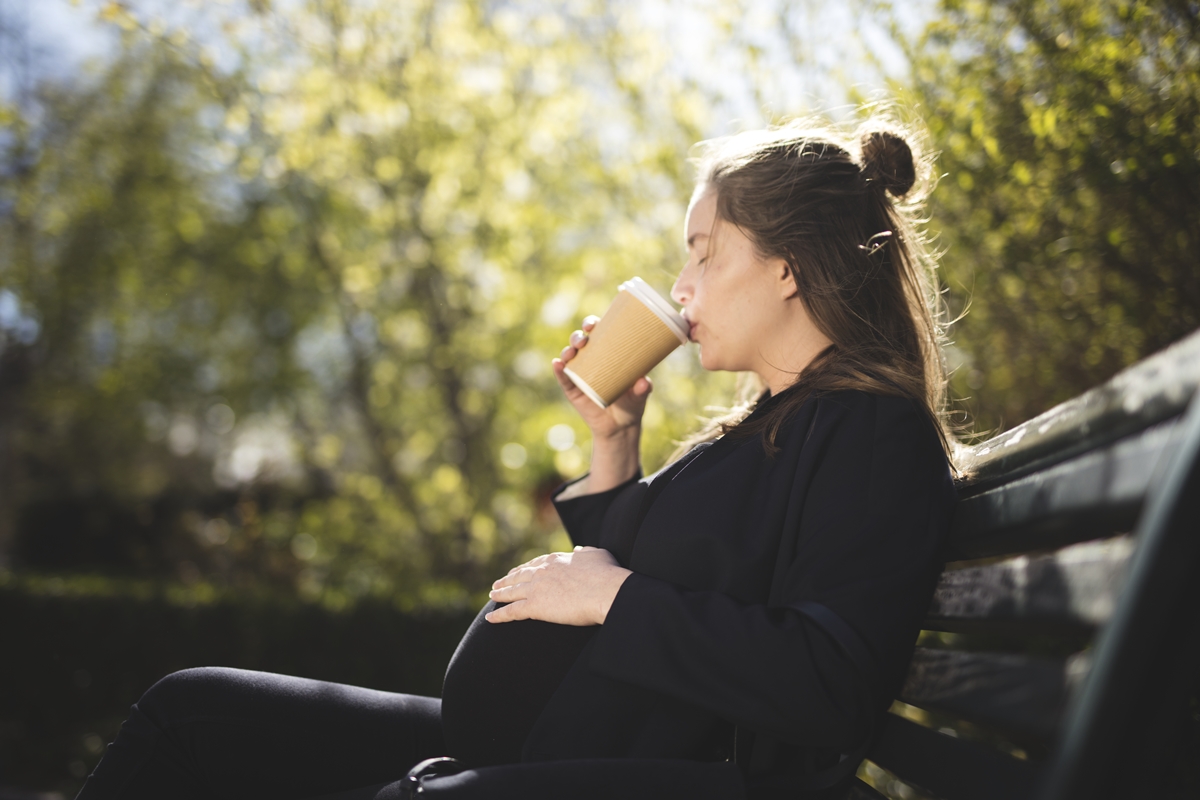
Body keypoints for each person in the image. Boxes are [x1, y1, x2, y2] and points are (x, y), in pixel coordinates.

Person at [75, 116, 957, 800]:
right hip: (551, 742)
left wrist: (607, 597)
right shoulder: (774, 420)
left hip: (636, 773)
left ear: (789, 268)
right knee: (192, 711)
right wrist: (614, 444)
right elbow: (669, 571)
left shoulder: (869, 434)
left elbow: (825, 681)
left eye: (704, 253)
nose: (682, 285)